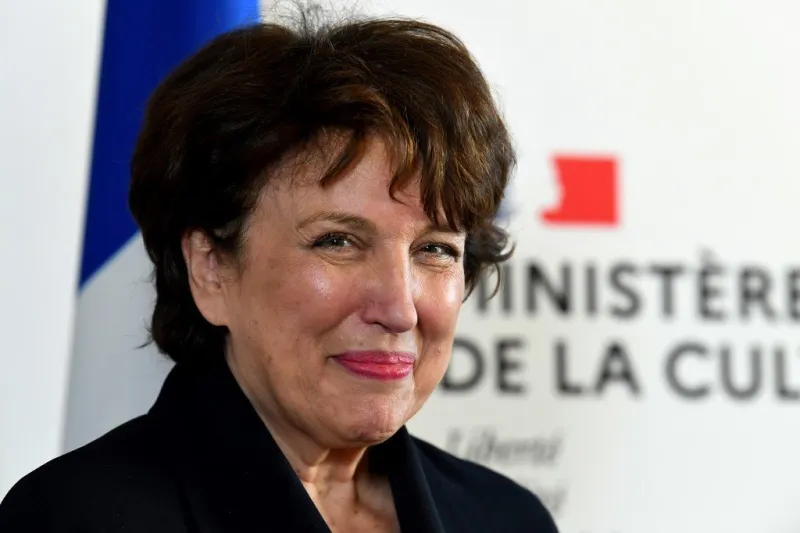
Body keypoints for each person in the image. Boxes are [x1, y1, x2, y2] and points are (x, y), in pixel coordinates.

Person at [0, 7, 559, 533]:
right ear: (211, 269)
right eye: (337, 241)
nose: (399, 307)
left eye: (434, 249)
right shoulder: (75, 518)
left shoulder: (506, 519)